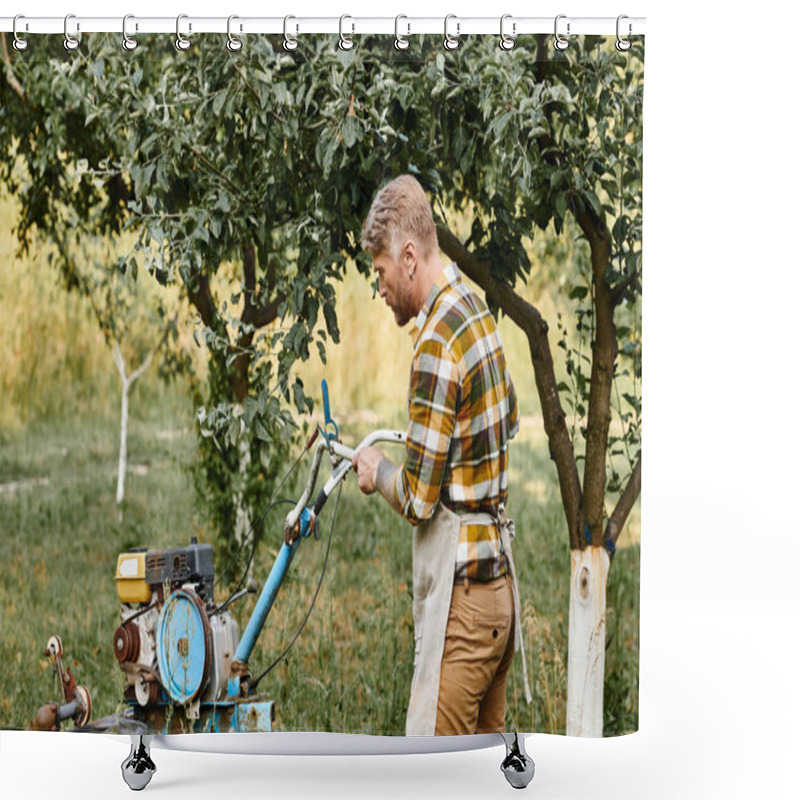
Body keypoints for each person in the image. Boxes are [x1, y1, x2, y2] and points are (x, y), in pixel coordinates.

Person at [352, 175, 530, 736]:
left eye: (380, 271)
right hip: (501, 594)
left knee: (427, 778)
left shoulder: (434, 344)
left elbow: (417, 500)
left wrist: (377, 469)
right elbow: (511, 417)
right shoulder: (476, 312)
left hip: (465, 608)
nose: (378, 287)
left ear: (408, 257)